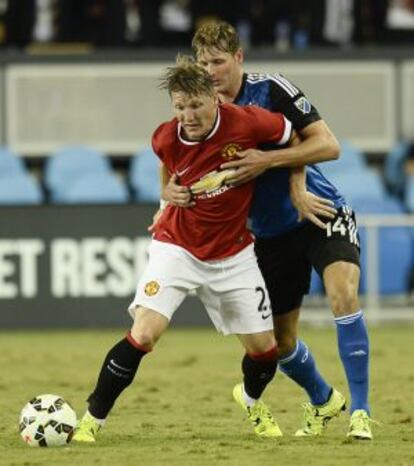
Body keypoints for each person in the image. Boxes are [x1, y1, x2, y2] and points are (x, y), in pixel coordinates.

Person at [74, 55, 299, 442]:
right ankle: (91, 422)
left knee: (266, 351)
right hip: (176, 248)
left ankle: (249, 400)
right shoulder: (164, 136)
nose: (188, 116)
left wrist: (274, 167)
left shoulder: (248, 121)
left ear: (215, 97)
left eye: (195, 105)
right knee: (144, 334)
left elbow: (292, 138)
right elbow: (169, 163)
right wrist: (166, 195)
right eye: (180, 107)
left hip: (233, 254)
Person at [185, 20, 372, 440]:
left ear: (238, 58)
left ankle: (362, 412)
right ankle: (324, 400)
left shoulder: (271, 89)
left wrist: (276, 168)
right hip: (267, 235)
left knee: (343, 293)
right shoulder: (199, 110)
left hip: (318, 210)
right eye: (203, 63)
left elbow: (327, 144)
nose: (211, 71)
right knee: (280, 343)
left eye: (218, 61)